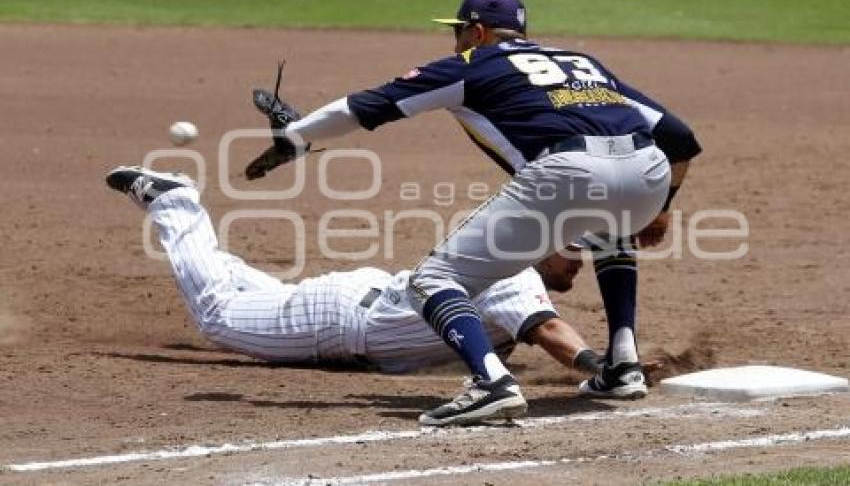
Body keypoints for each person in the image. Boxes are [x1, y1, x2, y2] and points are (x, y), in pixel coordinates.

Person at [243, 0, 701, 425]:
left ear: (478, 33)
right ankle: (623, 365)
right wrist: (661, 207)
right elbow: (679, 136)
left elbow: (369, 106)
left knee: (433, 280)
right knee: (611, 228)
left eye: (459, 30)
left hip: (570, 171)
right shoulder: (581, 63)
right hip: (648, 172)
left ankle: (491, 383)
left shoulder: (472, 65)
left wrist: (296, 137)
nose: (455, 39)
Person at [105, 166, 601, 377]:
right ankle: (173, 203)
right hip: (339, 323)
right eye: (572, 249)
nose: (580, 260)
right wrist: (600, 370)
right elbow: (553, 332)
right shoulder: (513, 274)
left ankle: (216, 258)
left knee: (273, 297)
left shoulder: (507, 257)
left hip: (360, 301)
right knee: (216, 313)